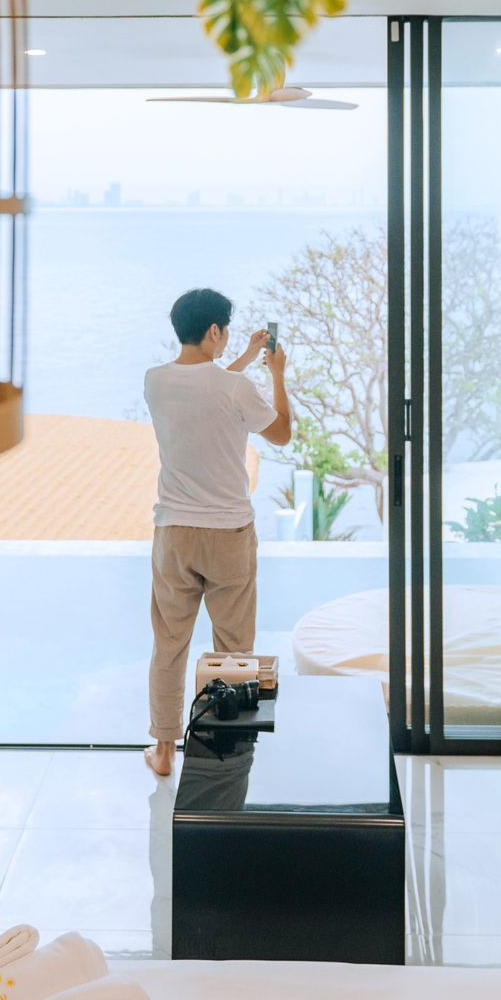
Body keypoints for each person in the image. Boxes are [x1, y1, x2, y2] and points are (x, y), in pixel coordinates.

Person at [141, 287, 291, 776]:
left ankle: (164, 750)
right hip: (228, 533)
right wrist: (276, 374)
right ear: (213, 331)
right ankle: (224, 748)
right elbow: (282, 432)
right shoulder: (235, 389)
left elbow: (205, 389)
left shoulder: (156, 381)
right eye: (224, 329)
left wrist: (244, 356)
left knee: (169, 644)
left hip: (175, 534)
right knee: (232, 647)